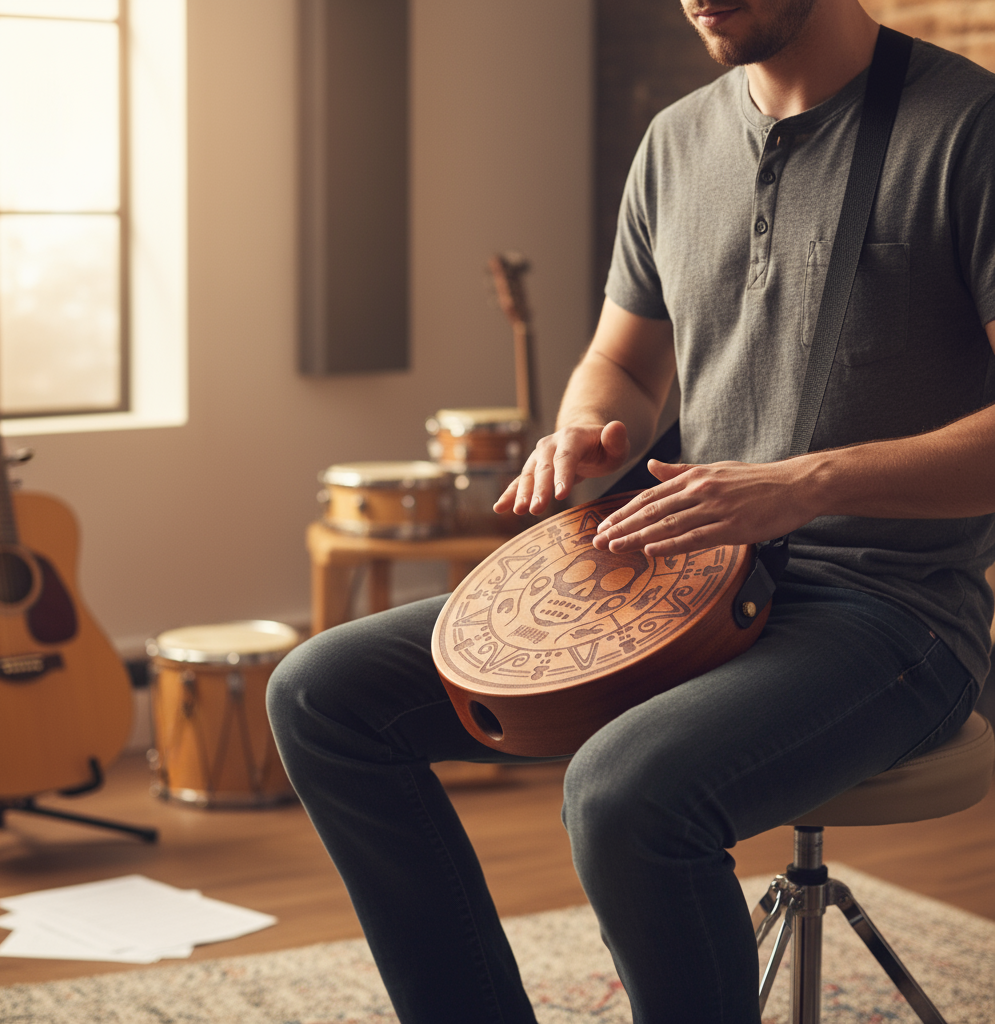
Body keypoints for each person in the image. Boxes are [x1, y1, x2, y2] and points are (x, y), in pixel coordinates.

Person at [267, 0, 995, 1019]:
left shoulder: (968, 129)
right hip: (686, 575)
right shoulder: (676, 140)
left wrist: (801, 482)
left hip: (891, 610)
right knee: (319, 693)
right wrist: (590, 427)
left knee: (621, 795)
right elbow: (621, 358)